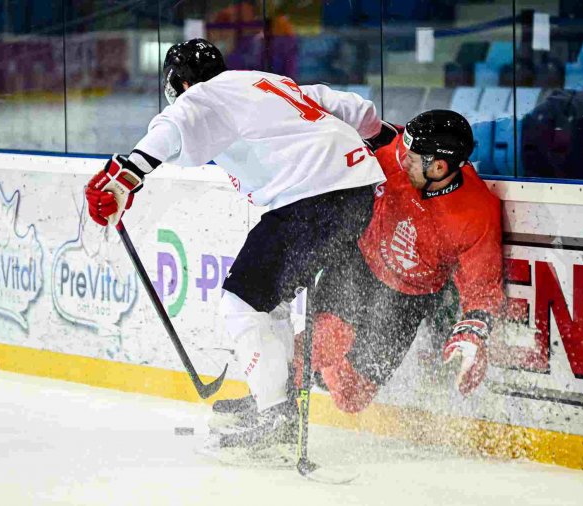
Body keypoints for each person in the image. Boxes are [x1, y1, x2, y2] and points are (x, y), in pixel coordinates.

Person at [84, 38, 385, 449]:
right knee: (268, 302)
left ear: (180, 83)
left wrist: (125, 178)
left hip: (313, 196)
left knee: (241, 301)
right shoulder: (266, 82)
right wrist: (383, 133)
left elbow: (170, 128)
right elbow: (356, 110)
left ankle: (277, 417)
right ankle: (274, 398)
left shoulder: (202, 94)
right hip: (359, 194)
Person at [215, 110, 505, 419]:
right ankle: (270, 402)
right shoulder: (394, 153)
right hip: (357, 263)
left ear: (439, 167)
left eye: (412, 157)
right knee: (326, 338)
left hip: (409, 297)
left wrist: (471, 337)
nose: (401, 159)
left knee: (351, 397)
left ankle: (315, 373)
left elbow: (482, 287)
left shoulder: (477, 213)